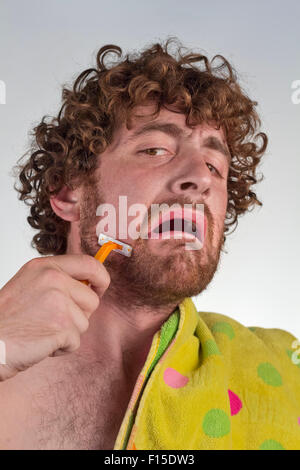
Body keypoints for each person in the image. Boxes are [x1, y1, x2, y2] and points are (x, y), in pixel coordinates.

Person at [0, 38, 299, 450]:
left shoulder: (286, 368)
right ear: (69, 193)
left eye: (216, 165)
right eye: (156, 149)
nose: (201, 177)